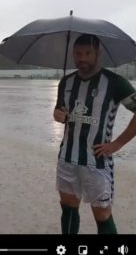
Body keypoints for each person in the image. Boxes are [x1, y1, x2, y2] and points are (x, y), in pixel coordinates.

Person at [53, 34, 136, 234]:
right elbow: (60, 114)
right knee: (69, 209)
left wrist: (117, 144)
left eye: (87, 53)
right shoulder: (66, 82)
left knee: (103, 215)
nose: (82, 58)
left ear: (98, 53)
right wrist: (58, 115)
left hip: (97, 162)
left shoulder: (115, 82)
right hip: (67, 158)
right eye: (78, 53)